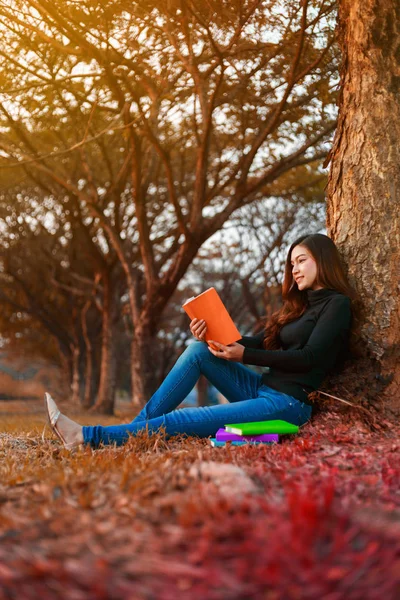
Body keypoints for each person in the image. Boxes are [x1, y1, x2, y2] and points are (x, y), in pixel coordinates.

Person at [45, 233, 354, 450]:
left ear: (322, 260)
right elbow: (262, 343)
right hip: (263, 390)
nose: (294, 270)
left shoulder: (336, 305)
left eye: (301, 261)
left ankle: (88, 437)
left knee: (186, 418)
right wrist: (211, 336)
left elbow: (310, 357)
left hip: (288, 405)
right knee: (197, 350)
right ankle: (134, 433)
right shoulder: (298, 306)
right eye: (291, 264)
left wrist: (244, 356)